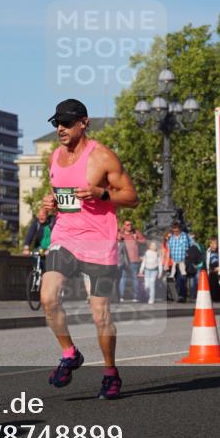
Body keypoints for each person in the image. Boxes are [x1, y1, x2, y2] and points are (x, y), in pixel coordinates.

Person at [40, 99, 138, 400]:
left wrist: (101, 193)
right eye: (57, 123)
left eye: (67, 123)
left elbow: (131, 197)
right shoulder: (55, 157)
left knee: (100, 314)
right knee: (48, 297)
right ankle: (69, 354)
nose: (61, 128)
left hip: (99, 241)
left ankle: (110, 372)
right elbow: (58, 193)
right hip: (66, 235)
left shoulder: (103, 157)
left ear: (84, 122)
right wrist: (49, 204)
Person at [117, 220, 145, 302]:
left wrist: (137, 239)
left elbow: (144, 241)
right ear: (124, 226)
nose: (129, 226)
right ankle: (121, 296)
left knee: (134, 279)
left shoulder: (136, 232)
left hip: (134, 260)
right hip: (124, 261)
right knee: (123, 278)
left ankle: (135, 297)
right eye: (127, 225)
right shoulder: (121, 234)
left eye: (130, 224)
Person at [166, 221, 195, 303]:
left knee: (183, 279)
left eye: (176, 230)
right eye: (173, 230)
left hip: (183, 261)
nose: (175, 232)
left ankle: (182, 296)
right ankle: (178, 295)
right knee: (176, 280)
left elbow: (192, 245)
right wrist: (167, 262)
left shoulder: (185, 236)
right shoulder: (171, 238)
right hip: (174, 262)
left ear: (179, 229)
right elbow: (169, 250)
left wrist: (189, 254)